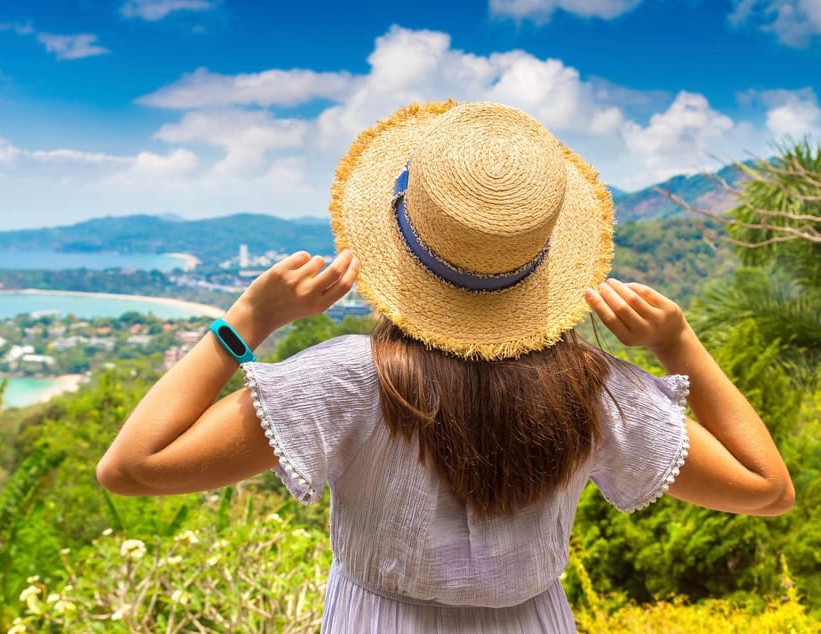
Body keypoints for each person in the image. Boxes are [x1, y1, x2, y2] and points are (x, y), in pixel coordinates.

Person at [96, 101, 794, 632]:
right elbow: (767, 489)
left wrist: (249, 320)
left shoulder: (348, 381)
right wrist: (680, 346)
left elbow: (130, 468)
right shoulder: (597, 390)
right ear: (543, 261)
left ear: (398, 238)